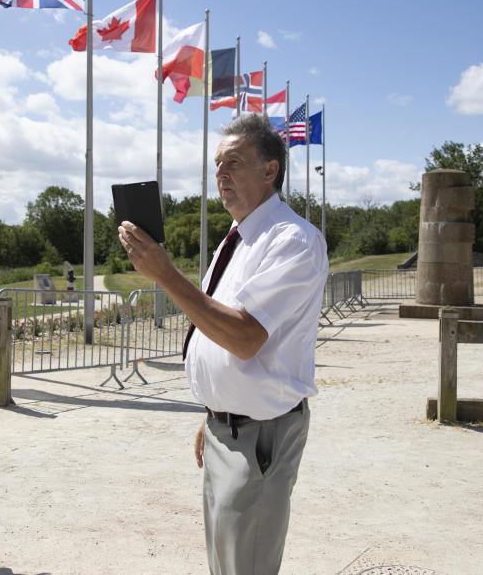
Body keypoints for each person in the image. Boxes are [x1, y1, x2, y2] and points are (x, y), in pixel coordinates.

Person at [118, 114, 328, 574]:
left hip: (260, 437)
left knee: (245, 566)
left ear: (270, 170)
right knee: (226, 564)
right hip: (227, 429)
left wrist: (165, 275)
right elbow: (215, 329)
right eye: (217, 165)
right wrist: (215, 410)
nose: (221, 175)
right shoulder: (236, 239)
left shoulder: (292, 241)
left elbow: (245, 337)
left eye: (233, 163)